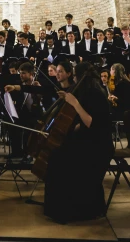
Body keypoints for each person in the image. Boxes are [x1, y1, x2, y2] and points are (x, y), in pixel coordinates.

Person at [43, 62, 113, 223]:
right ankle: (61, 208)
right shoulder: (89, 92)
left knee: (60, 160)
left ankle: (69, 211)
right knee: (57, 155)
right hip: (90, 139)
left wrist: (74, 103)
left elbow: (92, 122)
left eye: (75, 76)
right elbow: (85, 121)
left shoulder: (96, 94)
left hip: (98, 146)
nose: (74, 79)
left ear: (82, 77)